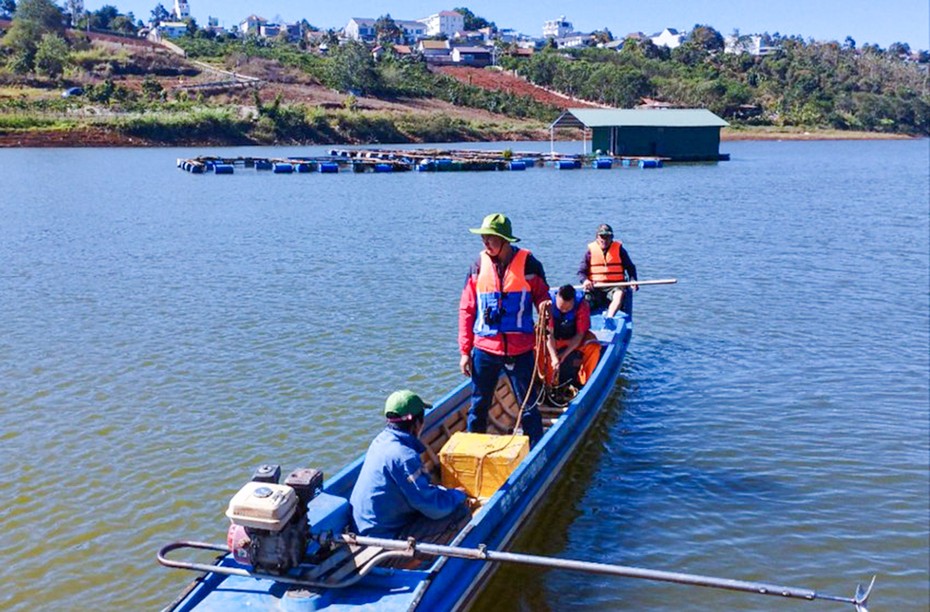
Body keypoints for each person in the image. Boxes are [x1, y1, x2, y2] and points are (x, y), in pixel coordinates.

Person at [458, 213, 549, 447]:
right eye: (484, 238)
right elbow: (467, 309)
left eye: (491, 238)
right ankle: (472, 453)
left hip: (520, 350)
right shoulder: (477, 266)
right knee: (478, 406)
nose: (486, 243)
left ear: (505, 240)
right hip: (485, 350)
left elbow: (542, 298)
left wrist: (545, 312)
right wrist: (465, 352)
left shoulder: (530, 264)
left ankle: (536, 450)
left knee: (528, 406)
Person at [350, 390, 470, 540]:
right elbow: (433, 508)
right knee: (460, 513)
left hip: (362, 529)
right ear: (417, 423)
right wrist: (458, 496)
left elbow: (417, 491)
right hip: (382, 539)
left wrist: (446, 492)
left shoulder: (380, 441)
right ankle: (409, 561)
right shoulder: (404, 456)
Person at [546, 284, 601, 387]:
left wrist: (564, 354)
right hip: (555, 339)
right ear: (557, 298)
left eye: (567, 309)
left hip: (574, 338)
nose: (564, 311)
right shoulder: (548, 305)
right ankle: (548, 383)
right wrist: (554, 357)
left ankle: (583, 382)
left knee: (594, 347)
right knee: (536, 346)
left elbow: (580, 335)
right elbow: (549, 334)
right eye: (561, 308)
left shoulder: (582, 305)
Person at [578, 223, 637, 318]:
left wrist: (633, 280)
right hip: (596, 287)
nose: (604, 240)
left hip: (615, 286)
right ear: (597, 237)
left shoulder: (620, 250)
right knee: (584, 300)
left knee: (619, 294)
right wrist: (585, 280)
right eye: (602, 236)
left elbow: (630, 267)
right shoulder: (590, 252)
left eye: (608, 237)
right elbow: (581, 272)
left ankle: (609, 317)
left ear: (612, 237)